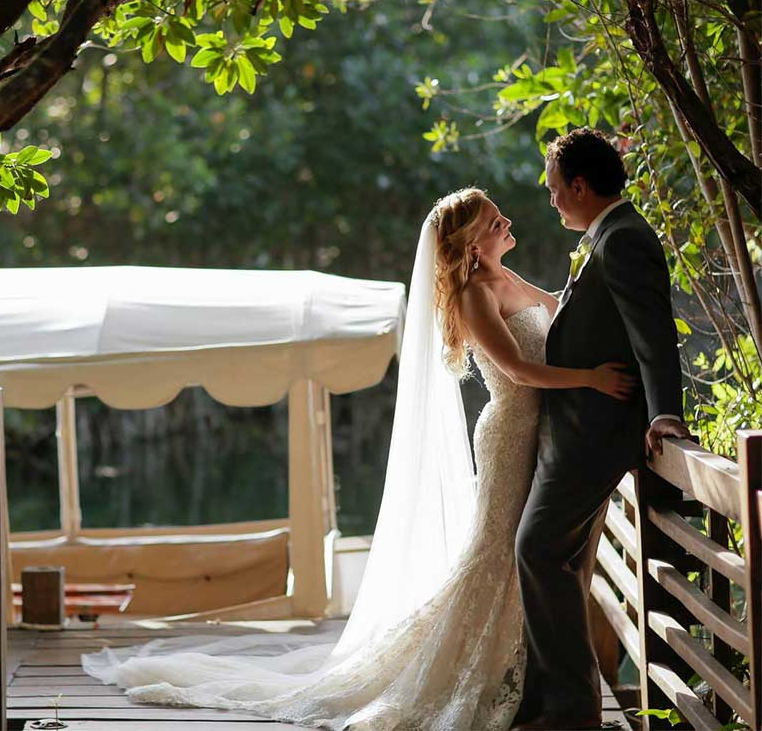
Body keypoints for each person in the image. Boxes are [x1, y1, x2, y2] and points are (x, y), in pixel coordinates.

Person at [81, 186, 634, 730]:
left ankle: (525, 670)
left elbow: (558, 308)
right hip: (510, 432)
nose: (507, 223)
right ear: (471, 245)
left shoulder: (506, 276)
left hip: (540, 434)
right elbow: (516, 371)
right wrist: (590, 379)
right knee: (495, 551)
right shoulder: (473, 294)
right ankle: (482, 671)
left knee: (517, 553)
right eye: (494, 222)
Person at [511, 128, 689, 731]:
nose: (553, 199)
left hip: (596, 435)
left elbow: (653, 334)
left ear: (581, 187)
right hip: (578, 431)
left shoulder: (625, 239)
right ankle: (561, 701)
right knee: (551, 554)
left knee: (536, 549)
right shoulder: (610, 233)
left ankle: (569, 708)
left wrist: (665, 413)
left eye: (556, 189)